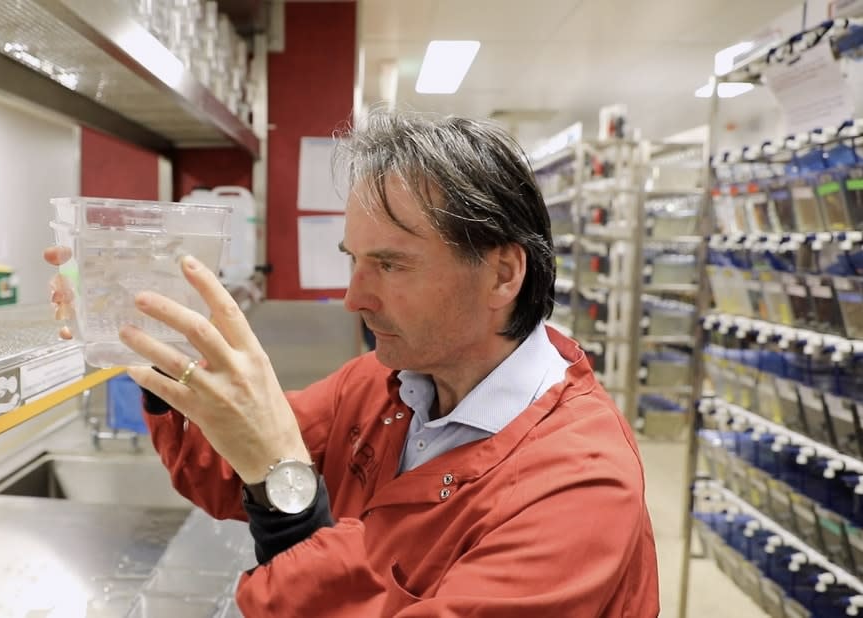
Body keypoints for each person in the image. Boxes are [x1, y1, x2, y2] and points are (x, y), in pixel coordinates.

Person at [46, 110, 659, 616]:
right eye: (353, 260)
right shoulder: (388, 384)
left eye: (391, 265)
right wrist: (147, 332)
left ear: (502, 274)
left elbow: (272, 469)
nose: (353, 297)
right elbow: (225, 471)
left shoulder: (580, 487)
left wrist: (288, 497)